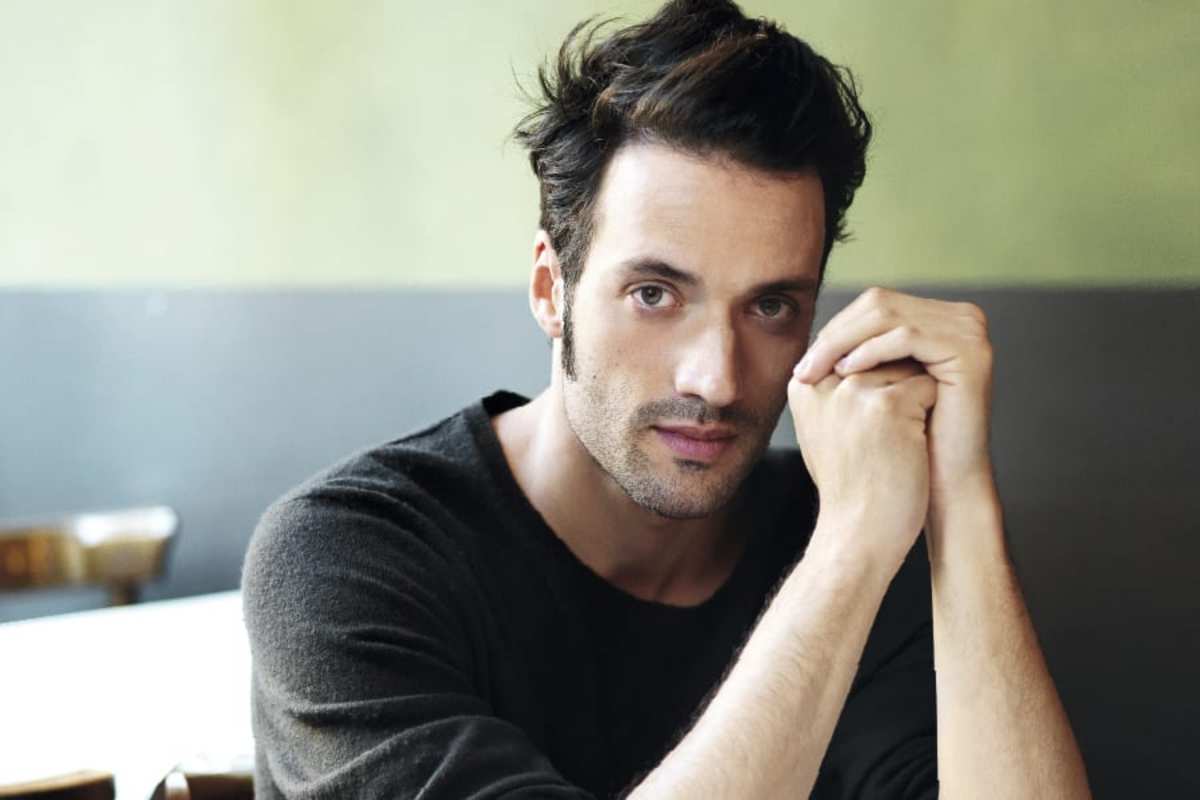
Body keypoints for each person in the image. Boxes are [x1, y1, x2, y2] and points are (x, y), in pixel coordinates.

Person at [242, 1, 1092, 797]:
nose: (716, 379)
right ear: (550, 289)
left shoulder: (855, 521)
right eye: (654, 294)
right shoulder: (342, 559)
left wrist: (957, 504)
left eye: (770, 306)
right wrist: (847, 556)